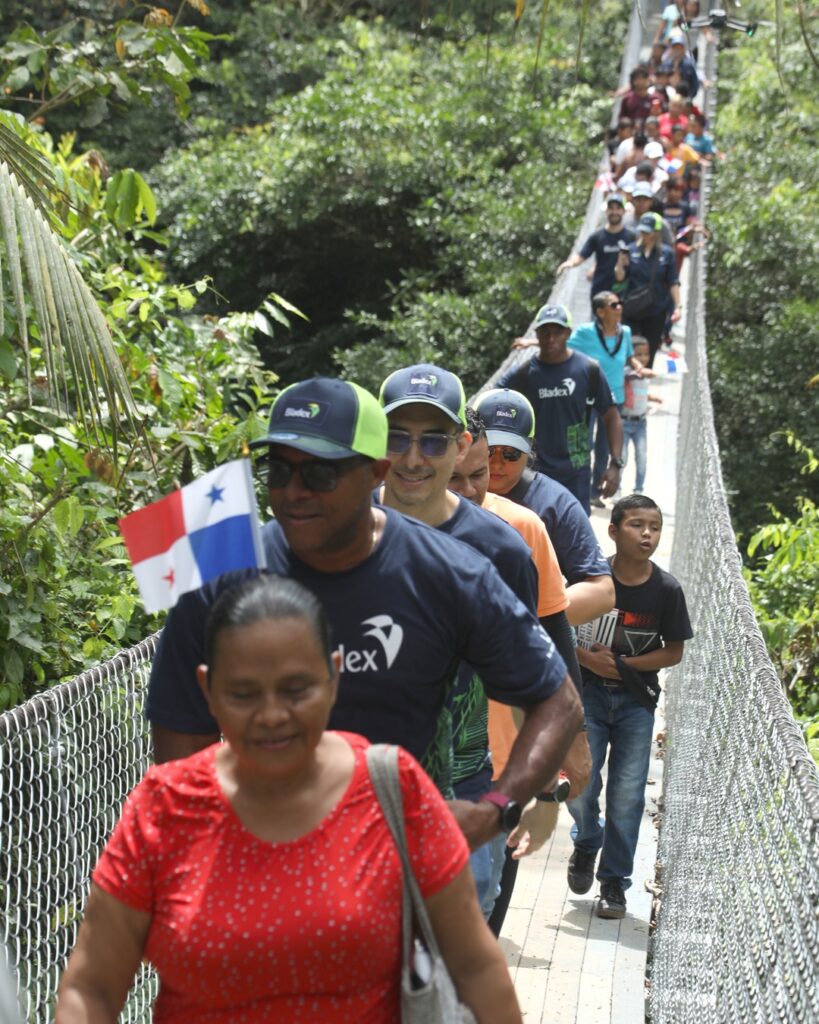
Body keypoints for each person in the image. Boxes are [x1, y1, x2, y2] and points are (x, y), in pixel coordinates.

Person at [56, 575, 524, 1022]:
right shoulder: (165, 806)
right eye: (243, 694)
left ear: (334, 679)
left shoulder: (393, 789)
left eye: (296, 689)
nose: (272, 715)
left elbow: (476, 967)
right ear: (207, 691)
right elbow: (91, 989)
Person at [146, 376, 582, 855]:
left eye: (319, 475)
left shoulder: (451, 570)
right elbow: (179, 738)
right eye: (278, 472)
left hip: (400, 863)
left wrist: (495, 809)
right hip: (264, 860)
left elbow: (557, 703)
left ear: (375, 472)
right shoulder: (216, 568)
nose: (294, 492)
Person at [375, 363, 575, 917]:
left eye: (434, 440)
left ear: (464, 445)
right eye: (397, 437)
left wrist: (540, 786)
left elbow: (542, 682)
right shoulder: (334, 527)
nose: (414, 457)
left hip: (463, 786)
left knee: (461, 948)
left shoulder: (502, 548)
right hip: (352, 788)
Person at [566, 495, 693, 919]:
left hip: (637, 701)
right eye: (637, 525)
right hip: (588, 693)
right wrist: (589, 660)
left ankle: (614, 883)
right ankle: (586, 841)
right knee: (579, 780)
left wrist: (623, 666)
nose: (647, 534)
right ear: (614, 530)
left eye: (654, 527)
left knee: (627, 793)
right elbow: (557, 628)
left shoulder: (667, 590)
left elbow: (673, 651)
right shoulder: (590, 580)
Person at [473, 387, 615, 627]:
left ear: (529, 449)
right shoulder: (446, 488)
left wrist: (523, 620)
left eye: (510, 453)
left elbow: (603, 591)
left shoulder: (554, 504)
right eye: (489, 451)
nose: (497, 463)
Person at [500, 303, 624, 513]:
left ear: (568, 333)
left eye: (557, 332)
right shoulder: (523, 374)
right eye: (545, 332)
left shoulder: (588, 369)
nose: (550, 338)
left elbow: (611, 415)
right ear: (537, 334)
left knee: (575, 534)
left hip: (576, 469)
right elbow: (490, 400)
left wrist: (616, 463)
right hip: (533, 470)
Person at [568, 291, 648, 507]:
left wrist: (638, 365)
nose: (619, 307)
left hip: (615, 398)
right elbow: (561, 345)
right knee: (584, 444)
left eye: (620, 304)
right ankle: (579, 489)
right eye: (614, 305)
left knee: (605, 447)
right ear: (600, 312)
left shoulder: (627, 332)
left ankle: (594, 492)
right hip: (589, 396)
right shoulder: (586, 332)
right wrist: (531, 342)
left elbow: (629, 355)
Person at [614, 213, 682, 366]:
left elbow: (673, 281)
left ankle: (642, 386)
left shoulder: (667, 254)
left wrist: (678, 307)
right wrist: (620, 262)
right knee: (629, 347)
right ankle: (627, 385)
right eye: (642, 231)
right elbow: (619, 278)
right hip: (632, 309)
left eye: (648, 232)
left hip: (655, 310)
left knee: (648, 350)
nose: (645, 235)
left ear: (657, 233)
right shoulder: (630, 250)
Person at [556, 193, 636, 301]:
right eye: (611, 208)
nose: (614, 212)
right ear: (606, 211)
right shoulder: (597, 236)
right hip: (600, 289)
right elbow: (582, 255)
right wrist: (570, 263)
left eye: (618, 208)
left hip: (622, 290)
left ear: (623, 211)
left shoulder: (631, 236)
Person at [619, 336, 661, 494]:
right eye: (639, 355)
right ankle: (617, 488)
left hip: (641, 423)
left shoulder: (644, 375)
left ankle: (639, 489)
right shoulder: (627, 372)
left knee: (642, 457)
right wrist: (643, 372)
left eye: (646, 354)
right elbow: (631, 378)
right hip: (624, 422)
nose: (643, 358)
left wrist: (652, 398)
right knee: (622, 457)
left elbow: (639, 392)